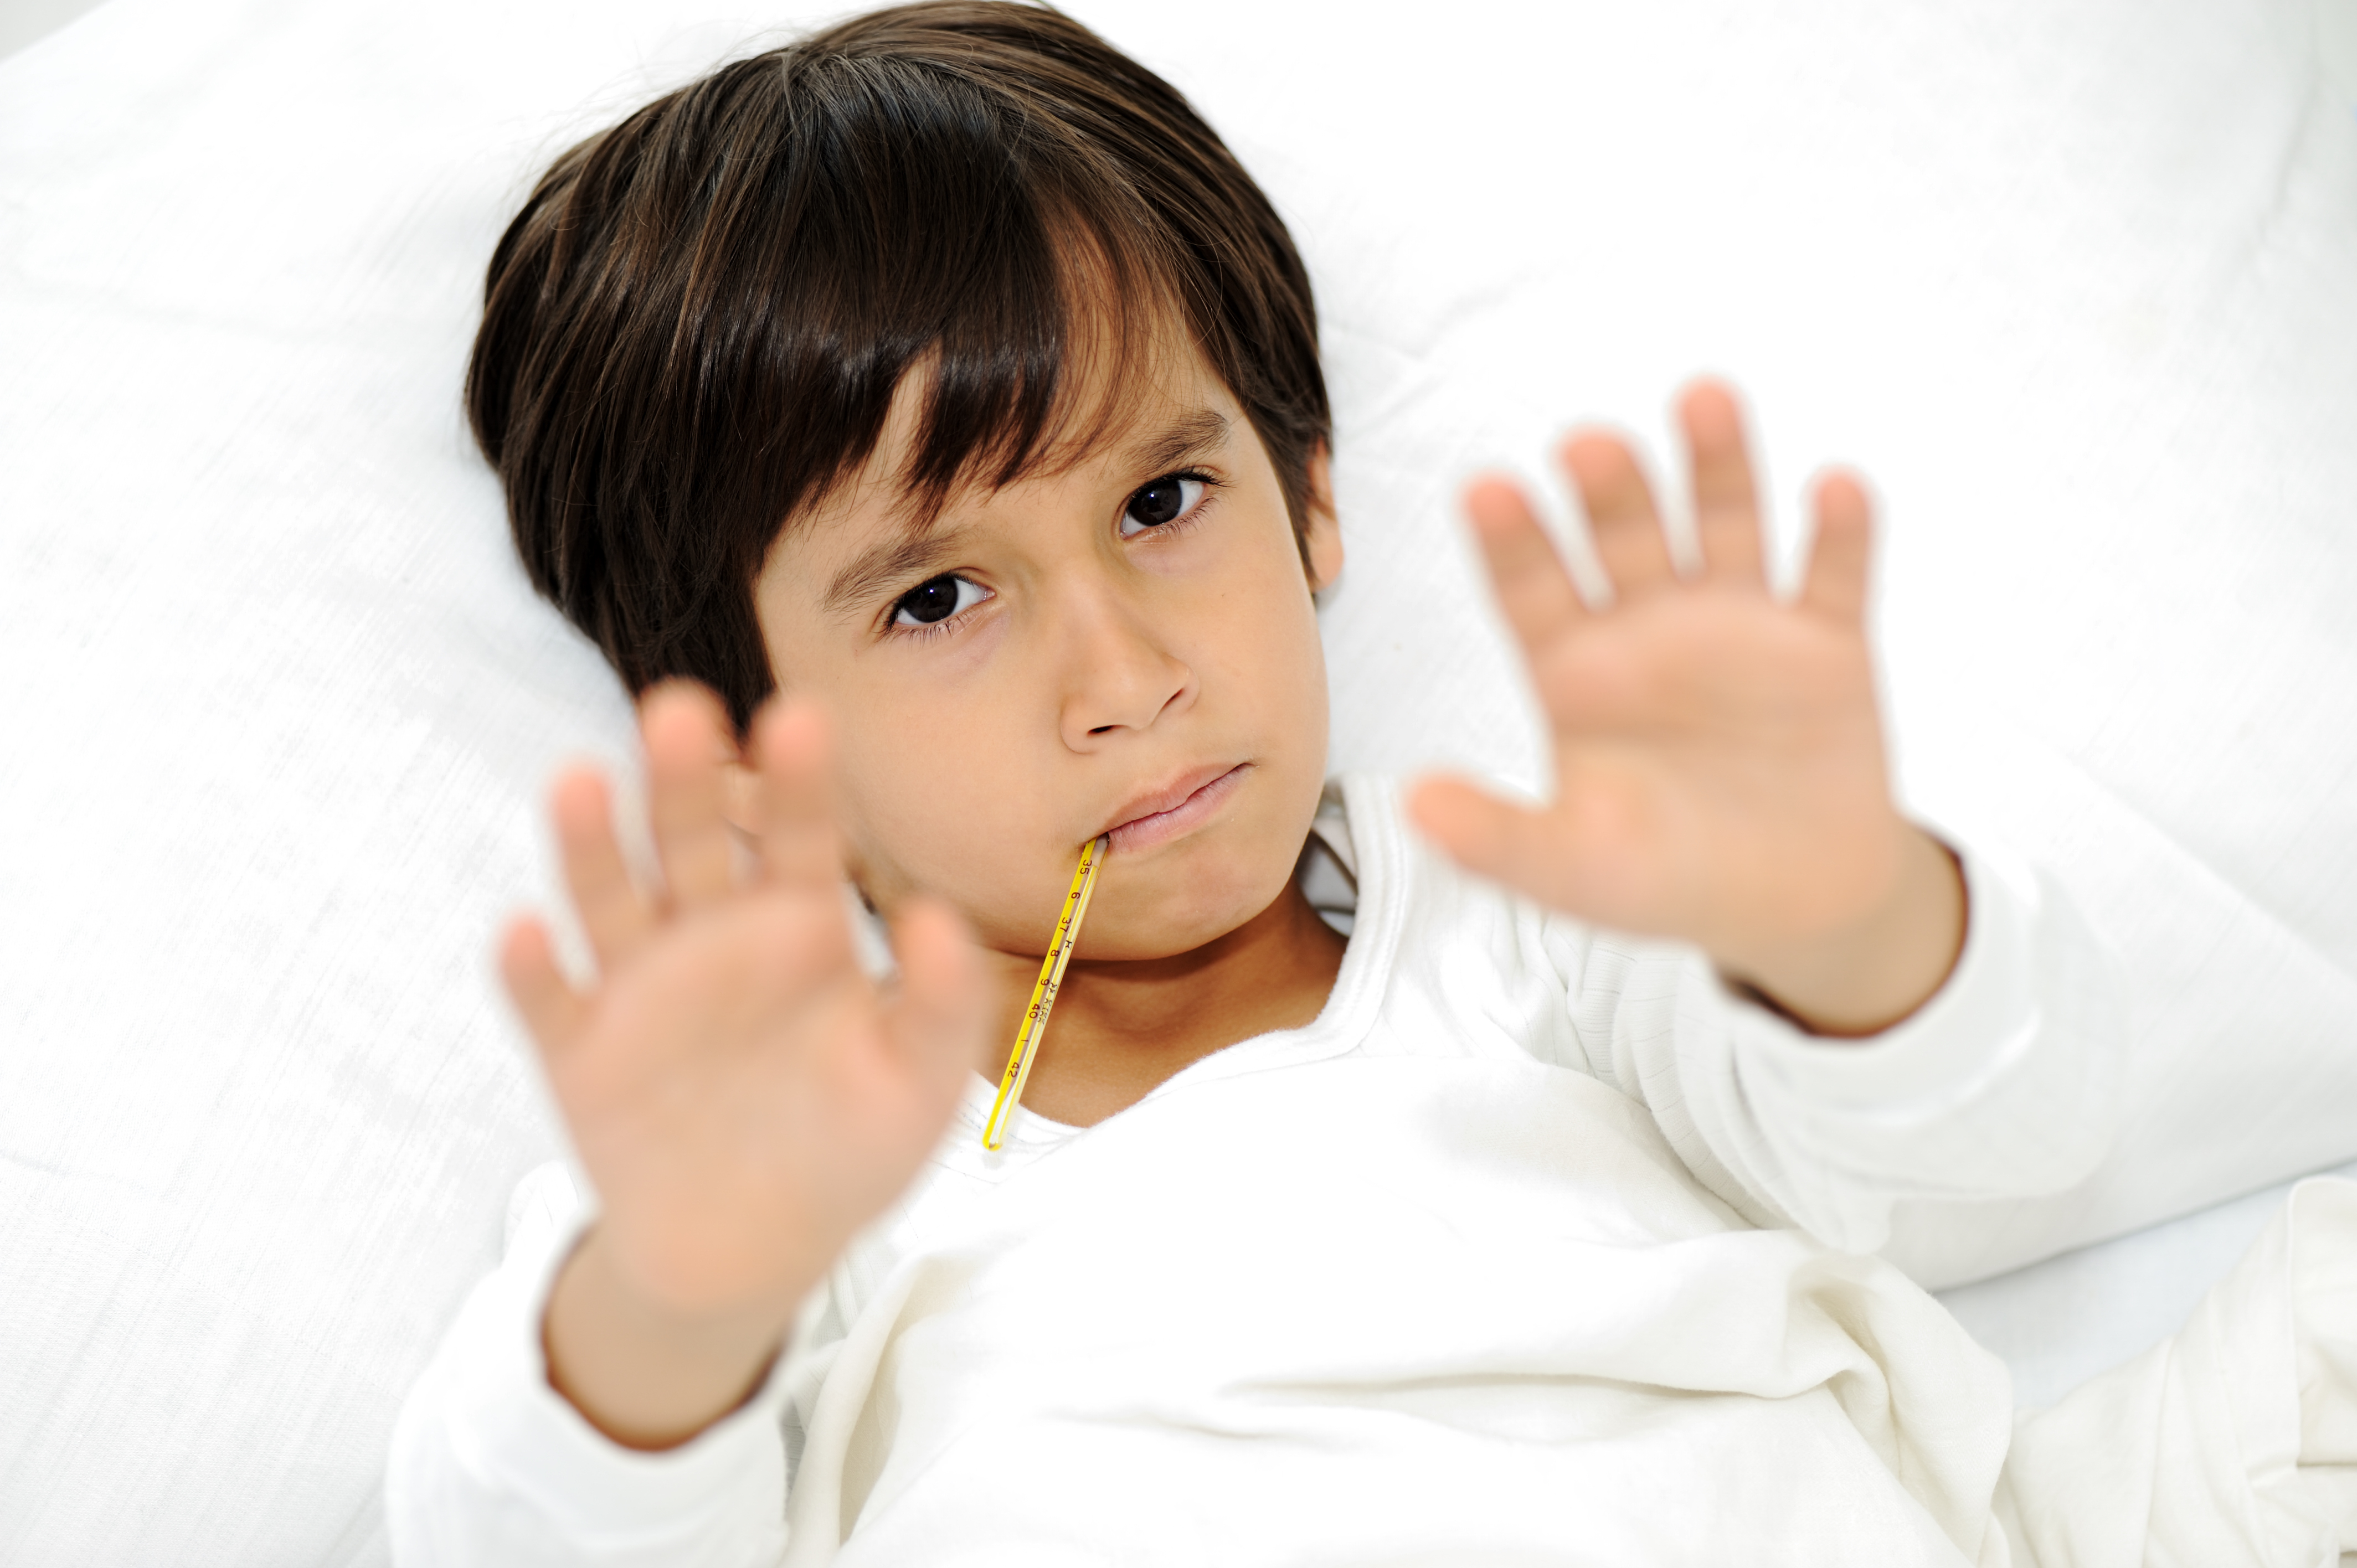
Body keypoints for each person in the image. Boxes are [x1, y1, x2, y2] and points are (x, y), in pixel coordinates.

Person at [387, 4, 2357, 1562]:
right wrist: (672, 1299)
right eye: (936, 598)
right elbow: (536, 1539)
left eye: (1164, 500)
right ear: (740, 747)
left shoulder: (1540, 931)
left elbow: (1990, 1140)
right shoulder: (776, 1152)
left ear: (1313, 496)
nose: (1126, 675)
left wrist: (1840, 914)